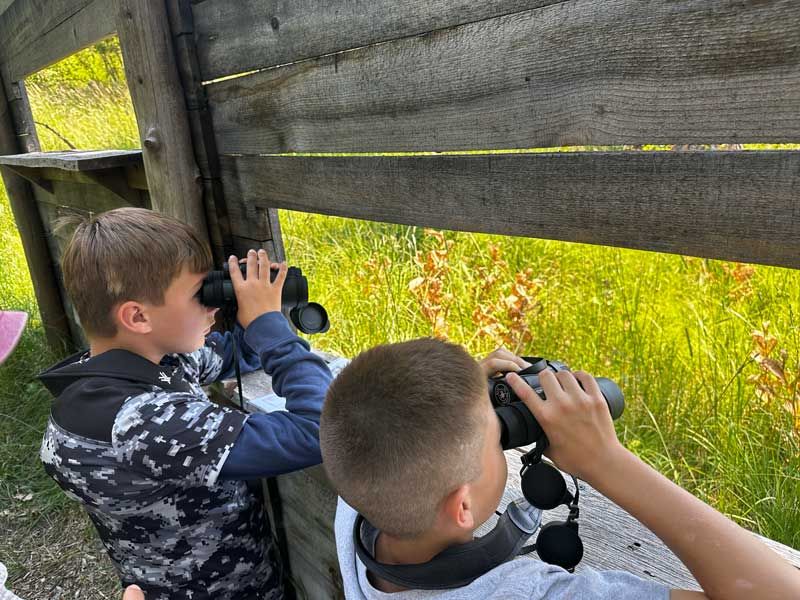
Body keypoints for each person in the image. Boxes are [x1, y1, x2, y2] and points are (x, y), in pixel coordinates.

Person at [320, 338, 800, 600]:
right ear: (463, 505)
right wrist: (607, 463)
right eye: (497, 438)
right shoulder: (530, 595)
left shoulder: (359, 501)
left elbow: (380, 419)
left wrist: (464, 395)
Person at [38, 207, 331, 600]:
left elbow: (235, 354)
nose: (212, 307)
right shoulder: (143, 423)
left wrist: (258, 305)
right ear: (138, 316)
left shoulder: (135, 368)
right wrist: (269, 327)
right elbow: (320, 429)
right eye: (201, 295)